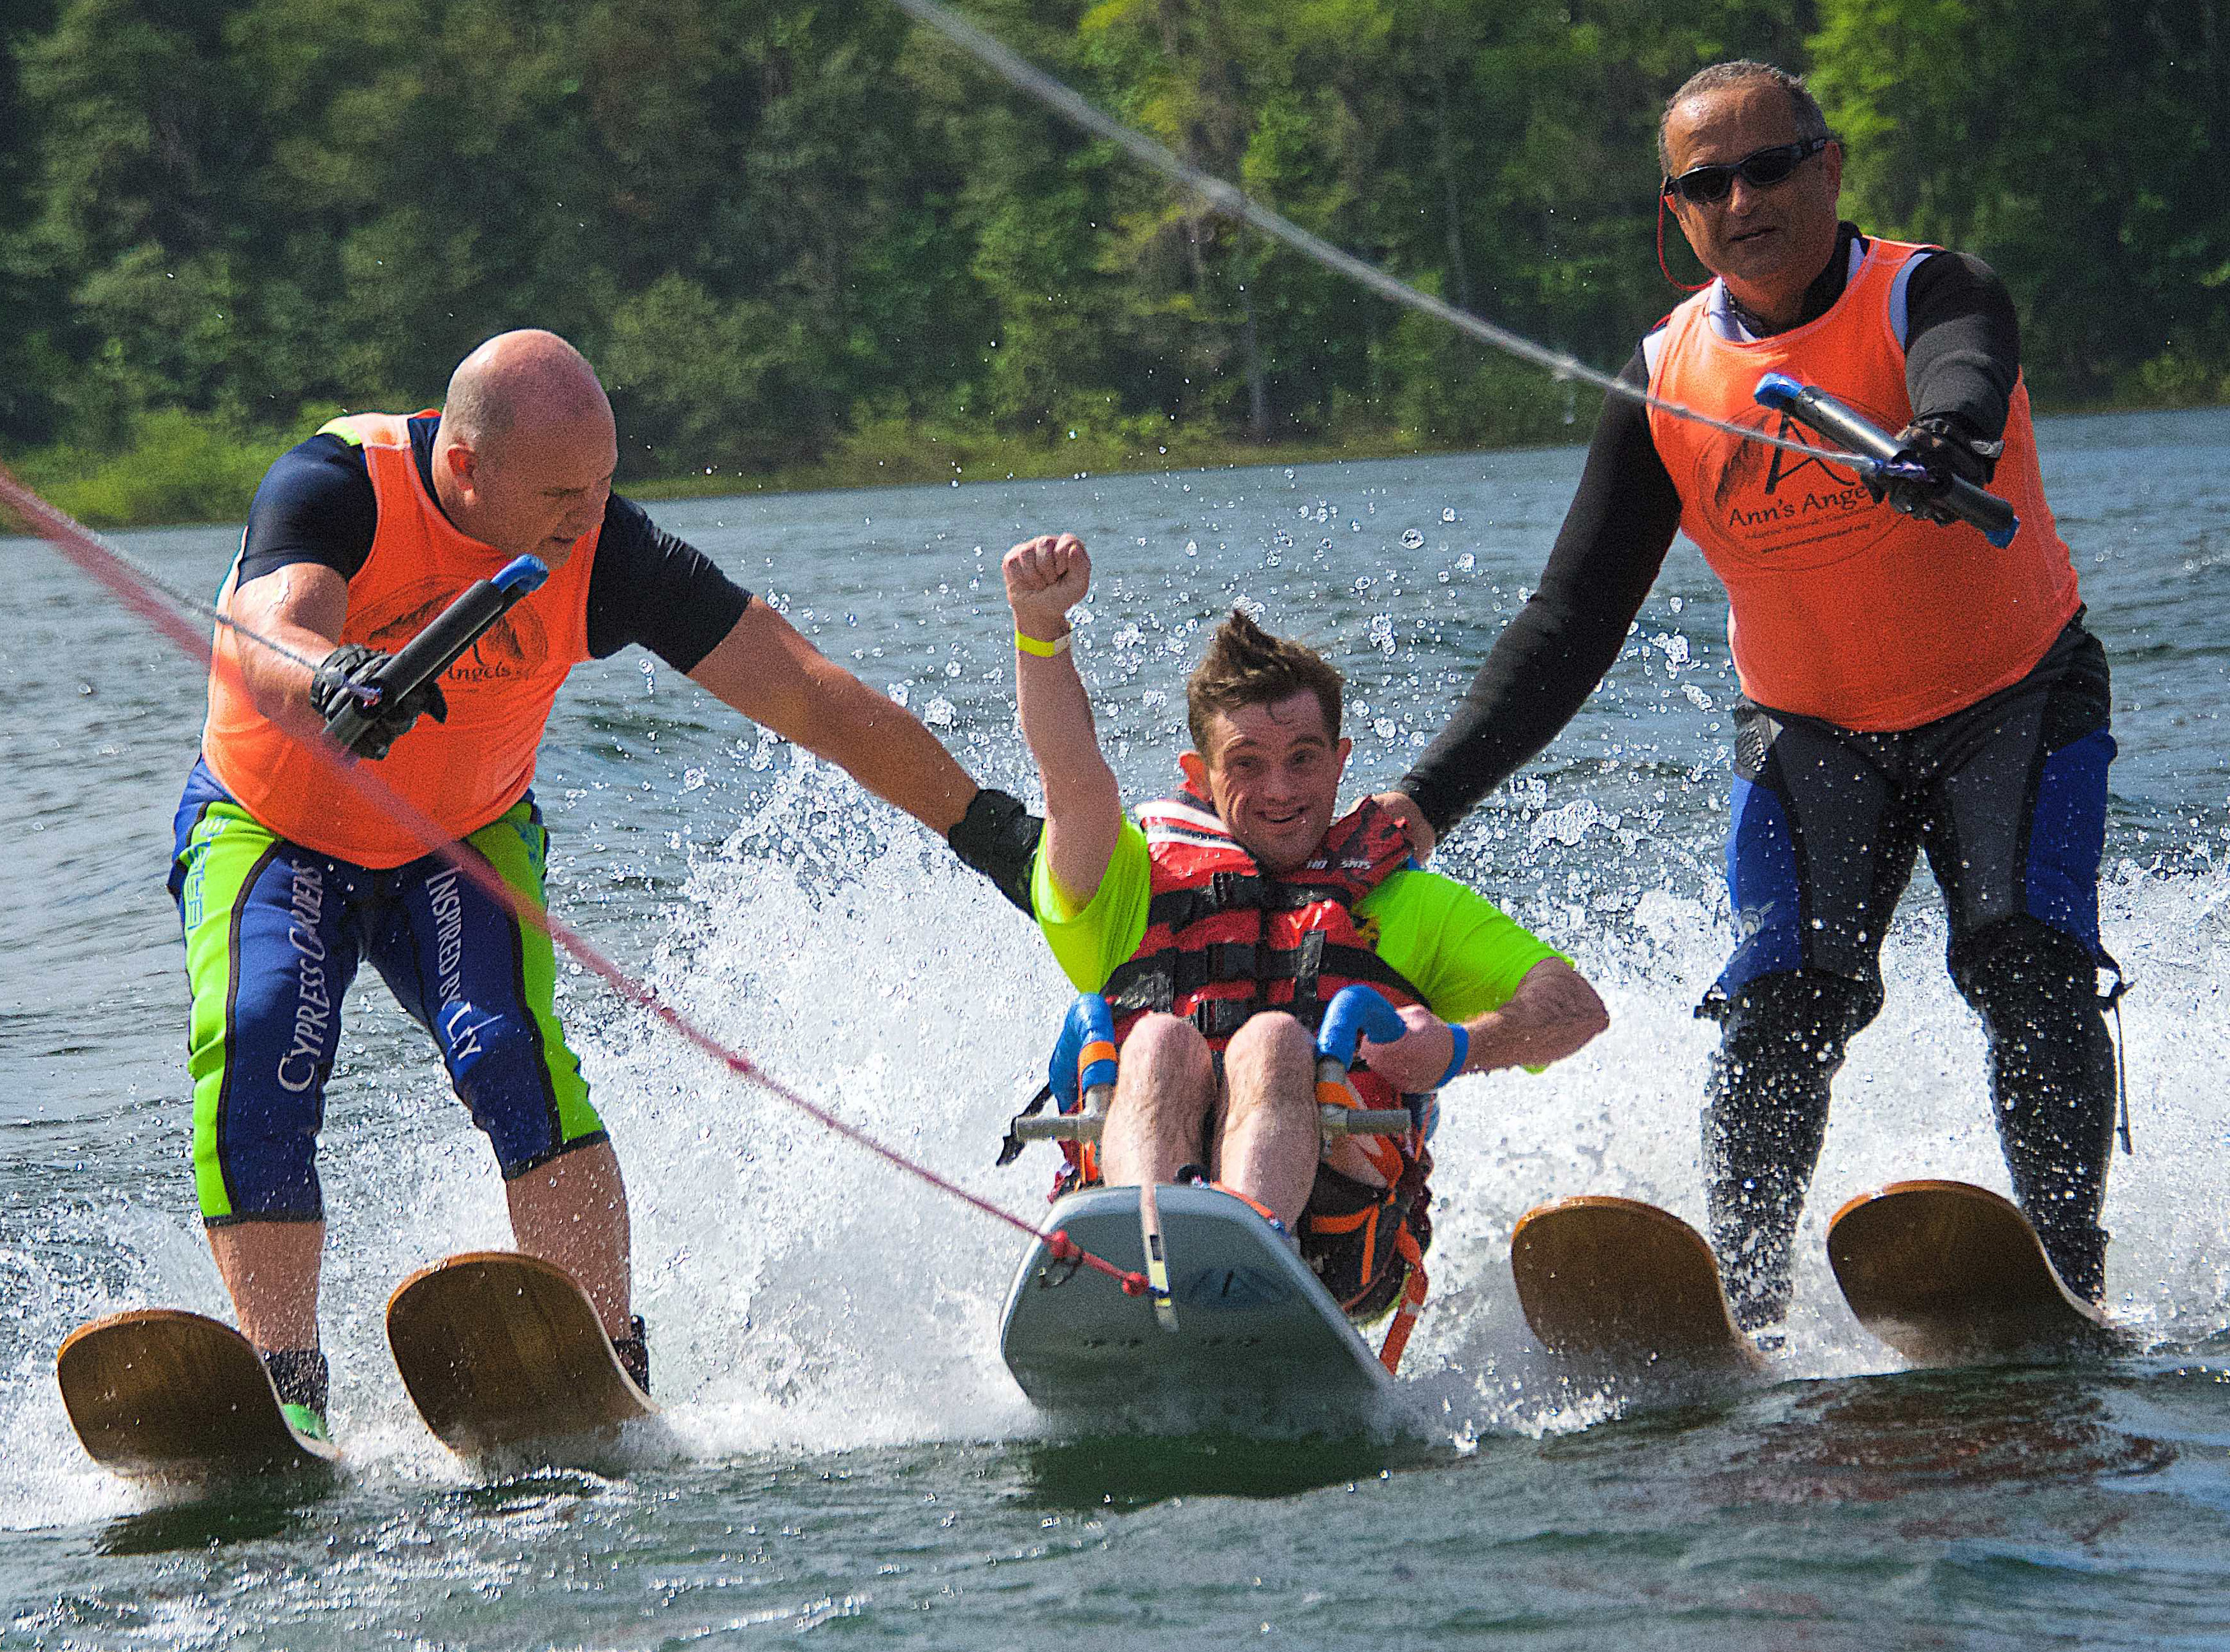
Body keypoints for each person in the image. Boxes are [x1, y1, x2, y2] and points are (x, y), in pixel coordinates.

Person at [171, 329, 1038, 1438]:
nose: (588, 516)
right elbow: (267, 624)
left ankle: (609, 1364)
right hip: (272, 827)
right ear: (468, 467)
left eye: (604, 484)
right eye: (561, 494)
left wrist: (989, 829)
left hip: (462, 837)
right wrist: (330, 675)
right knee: (259, 1042)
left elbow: (810, 693)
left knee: (510, 1052)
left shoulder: (604, 551)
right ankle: (289, 1393)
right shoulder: (337, 482)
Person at [1374, 61, 2120, 1333]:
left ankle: (2067, 1270)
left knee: (2028, 962)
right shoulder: (1668, 374)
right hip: (1812, 735)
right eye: (1707, 183)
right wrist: (1427, 797)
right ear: (1678, 213)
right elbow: (1568, 625)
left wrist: (1944, 438)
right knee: (1782, 995)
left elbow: (1966, 369)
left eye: (1769, 168)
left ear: (1827, 169)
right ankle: (1748, 1305)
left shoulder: (1927, 292)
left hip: (2015, 702)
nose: (1743, 199)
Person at [1001, 532, 1607, 1359]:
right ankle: (1149, 1257)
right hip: (1142, 1216)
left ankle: (1249, 1266)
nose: (1279, 790)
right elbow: (1072, 782)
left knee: (1273, 1039)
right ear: (1197, 773)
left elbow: (1575, 1009)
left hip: (1333, 1244)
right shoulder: (1128, 884)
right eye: (1246, 763)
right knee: (1163, 1041)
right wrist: (1040, 627)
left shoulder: (1402, 902)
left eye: (1303, 759)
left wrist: (1461, 1047)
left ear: (1341, 762)